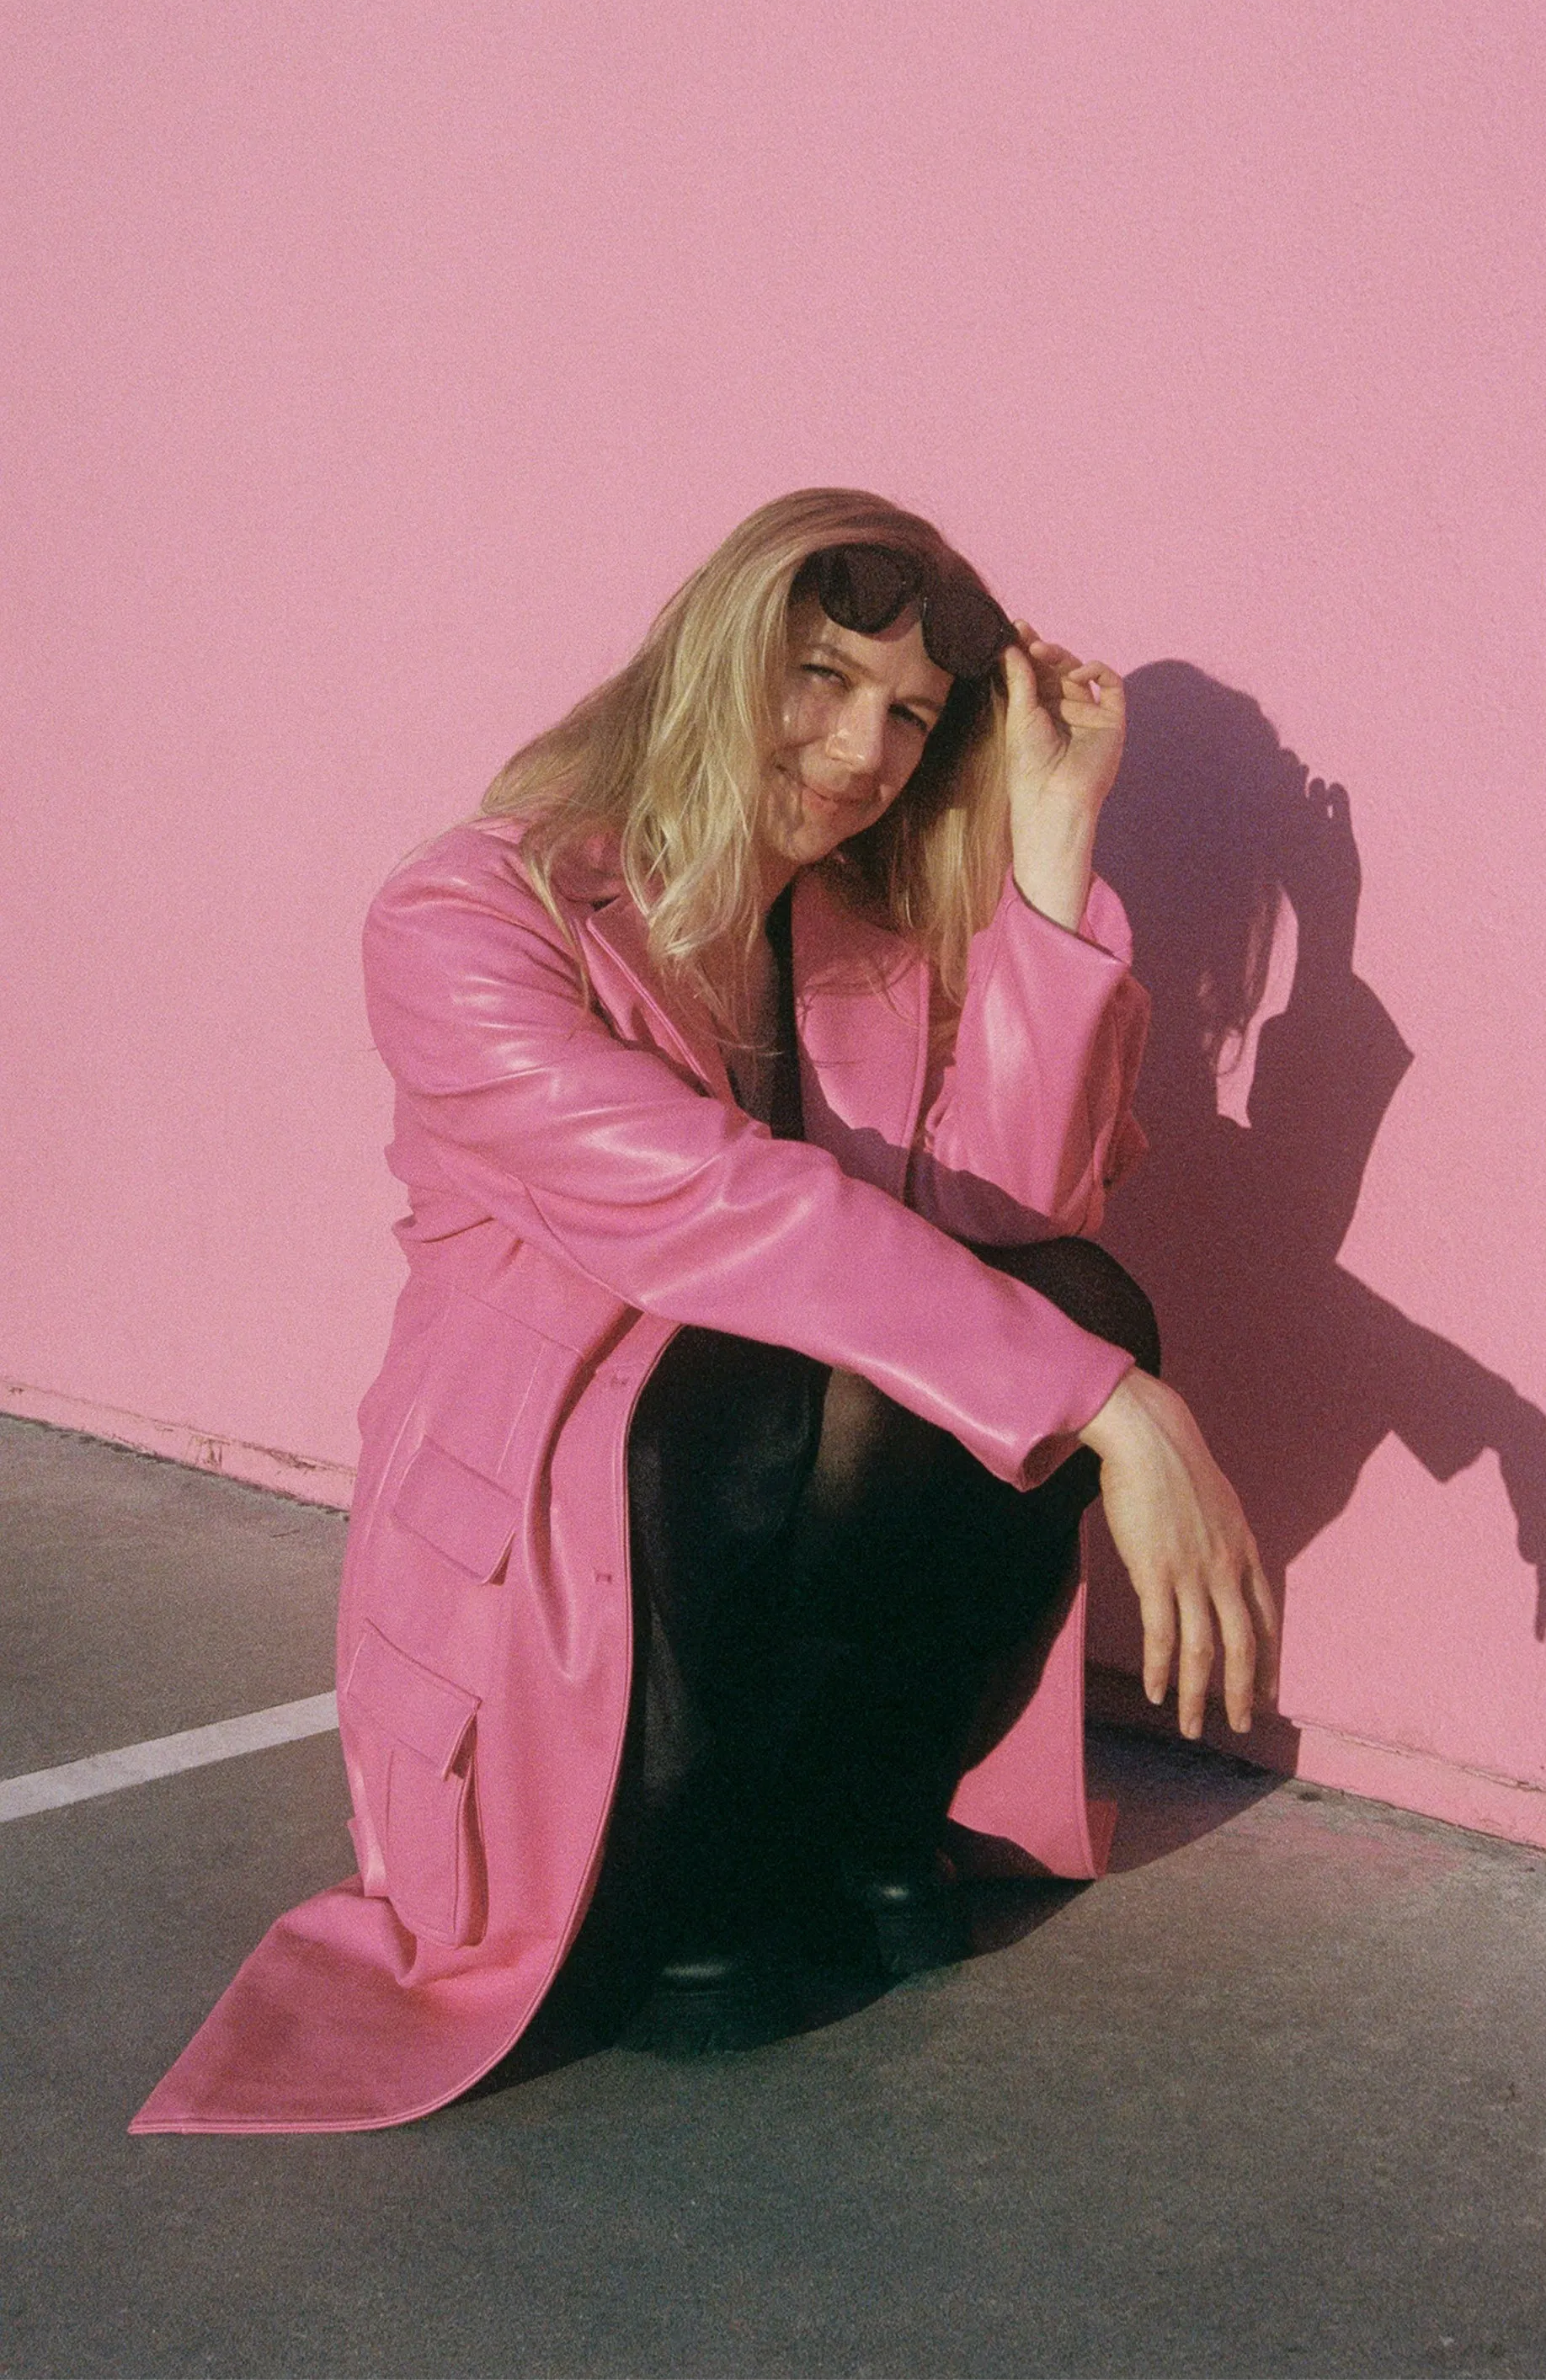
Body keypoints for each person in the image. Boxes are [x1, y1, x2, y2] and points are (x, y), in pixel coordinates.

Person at [132, 488, 1277, 2136]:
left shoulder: (859, 942)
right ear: (714, 652)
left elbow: (1009, 1238)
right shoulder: (468, 921)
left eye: (909, 715)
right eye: (819, 676)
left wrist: (1046, 842)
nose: (860, 749)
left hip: (746, 1538)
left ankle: (848, 1821)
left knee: (1052, 1301)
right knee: (753, 1349)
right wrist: (1122, 1410)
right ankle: (677, 1856)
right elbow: (718, 1215)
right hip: (557, 1527)